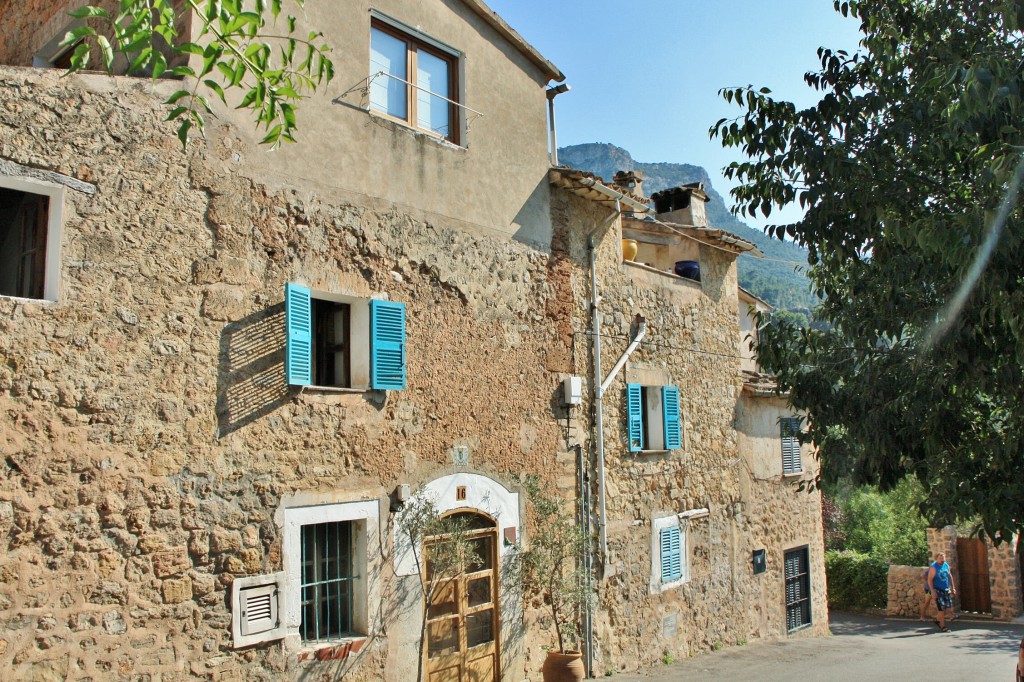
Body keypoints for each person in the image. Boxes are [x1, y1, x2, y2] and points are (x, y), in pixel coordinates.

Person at [926, 552, 957, 631]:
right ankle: (943, 626)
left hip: (946, 589)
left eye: (943, 558)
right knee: (941, 609)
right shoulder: (933, 567)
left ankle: (938, 620)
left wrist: (953, 587)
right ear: (937, 558)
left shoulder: (946, 565)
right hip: (937, 590)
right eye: (940, 558)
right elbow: (929, 580)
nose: (942, 560)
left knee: (949, 608)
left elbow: (949, 576)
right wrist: (932, 591)